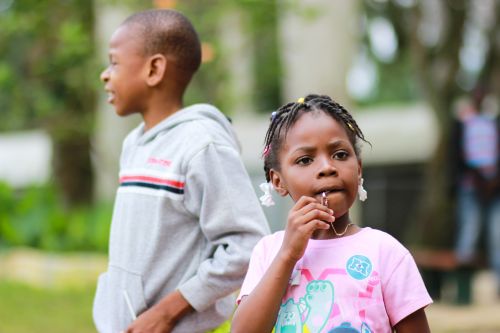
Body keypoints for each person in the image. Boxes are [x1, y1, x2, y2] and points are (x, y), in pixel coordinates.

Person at [92, 9, 270, 333]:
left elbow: (248, 245)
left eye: (114, 62)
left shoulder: (203, 145)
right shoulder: (134, 144)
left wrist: (167, 312)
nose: (105, 74)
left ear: (154, 69)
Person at [231, 94, 432, 333]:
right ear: (278, 181)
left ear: (358, 169)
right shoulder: (269, 252)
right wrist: (287, 255)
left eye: (340, 155)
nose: (327, 168)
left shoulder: (386, 253)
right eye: (305, 160)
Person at [450, 86, 500, 296]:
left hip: (494, 188)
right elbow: (459, 154)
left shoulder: (493, 121)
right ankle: (463, 289)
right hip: (471, 187)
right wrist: (478, 178)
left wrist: (493, 181)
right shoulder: (463, 122)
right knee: (469, 232)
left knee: (497, 235)